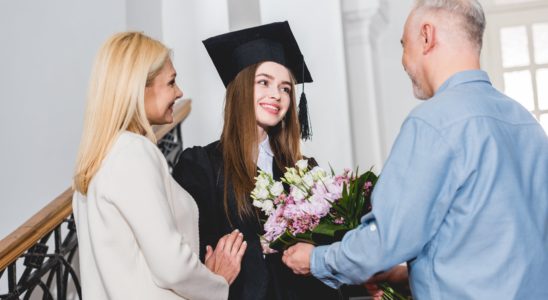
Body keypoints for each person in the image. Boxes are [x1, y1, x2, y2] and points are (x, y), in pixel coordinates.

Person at [281, 0, 548, 299]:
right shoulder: (527, 124)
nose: (404, 61)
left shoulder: (433, 122)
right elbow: (496, 243)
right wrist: (406, 274)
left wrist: (316, 260)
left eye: (403, 44)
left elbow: (386, 240)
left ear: (426, 36)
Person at [72, 32, 247, 300]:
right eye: (171, 82)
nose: (179, 92)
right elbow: (171, 266)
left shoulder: (96, 160)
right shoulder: (133, 152)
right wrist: (216, 282)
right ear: (137, 87)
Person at [172, 22, 339, 300]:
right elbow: (193, 253)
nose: (277, 95)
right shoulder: (201, 167)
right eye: (264, 82)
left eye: (285, 88)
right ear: (240, 88)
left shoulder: (304, 171)